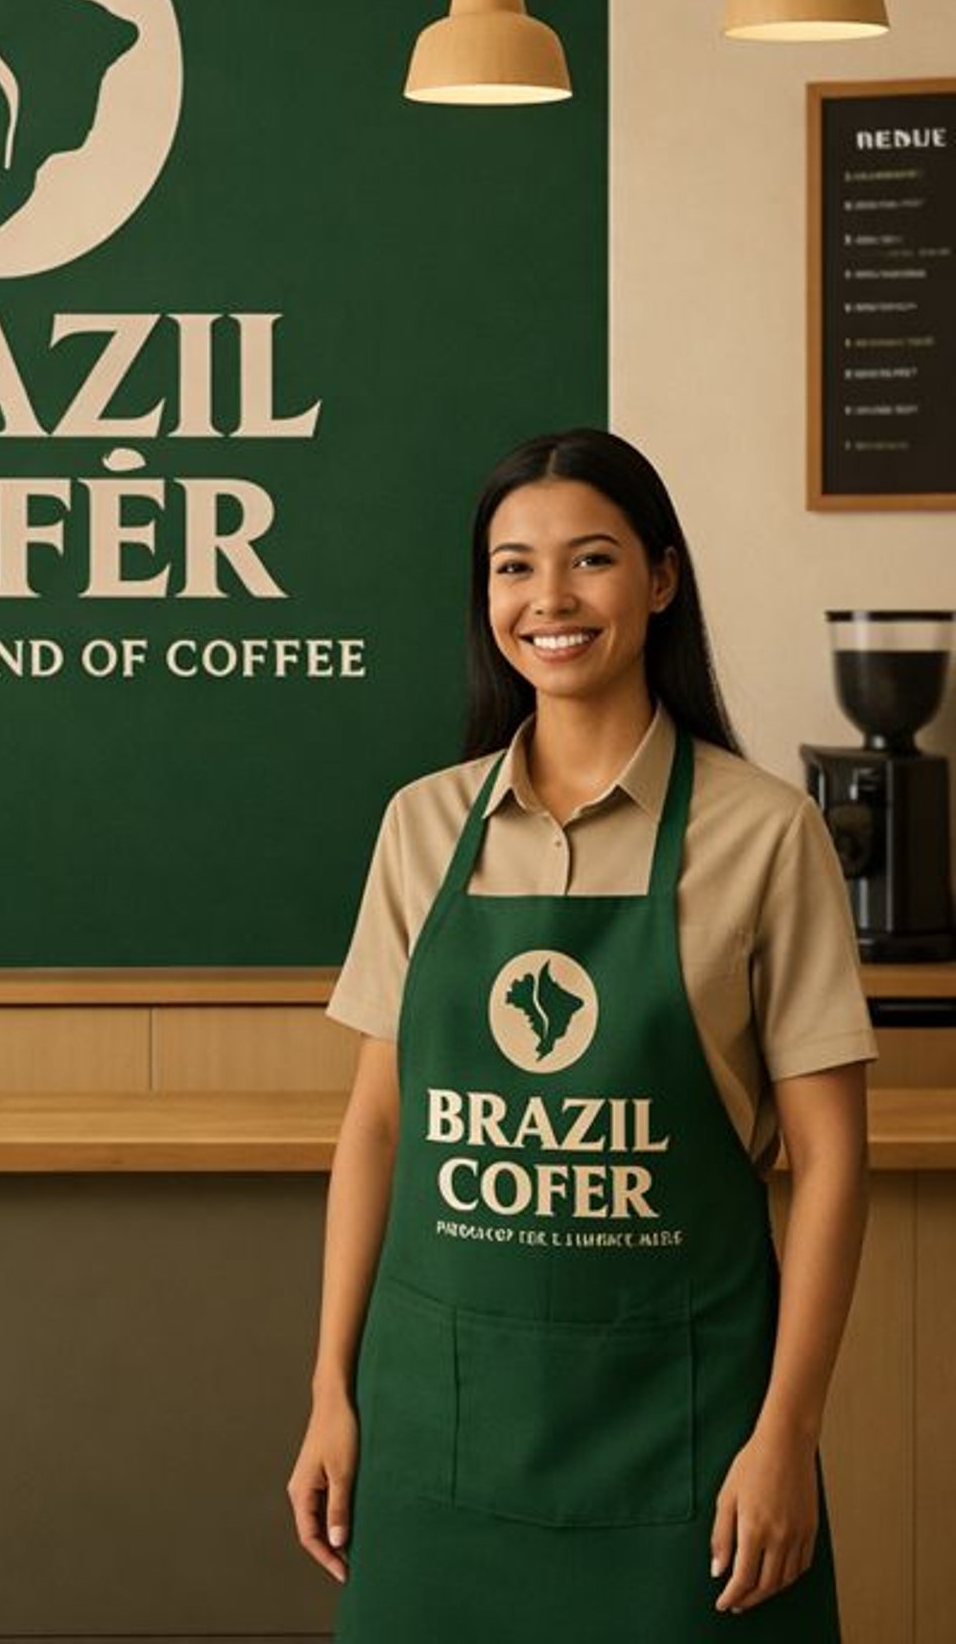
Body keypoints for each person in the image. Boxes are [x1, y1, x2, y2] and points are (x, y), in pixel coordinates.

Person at [286, 429, 873, 1640]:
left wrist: (789, 1434)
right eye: (511, 568)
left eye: (590, 559)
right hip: (437, 1443)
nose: (547, 600)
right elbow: (380, 1125)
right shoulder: (424, 827)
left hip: (686, 1451)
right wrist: (330, 1392)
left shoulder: (765, 837)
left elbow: (831, 1165)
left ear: (660, 580)